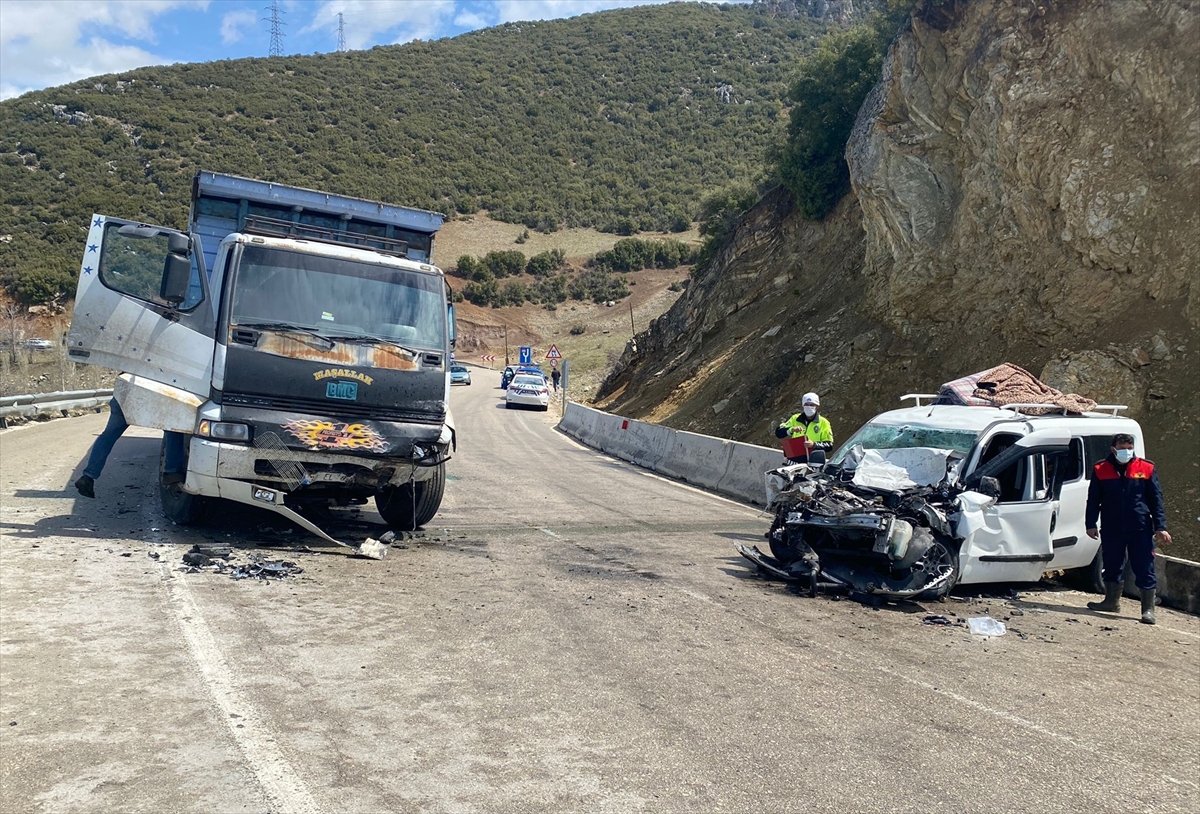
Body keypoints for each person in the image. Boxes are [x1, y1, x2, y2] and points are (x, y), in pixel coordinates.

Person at [1085, 433, 1171, 624]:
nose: (1126, 451)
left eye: (1129, 448)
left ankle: (1147, 610)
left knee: (1144, 566)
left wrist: (1160, 526)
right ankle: (1111, 602)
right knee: (1112, 563)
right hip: (1112, 525)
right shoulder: (1101, 469)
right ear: (1113, 449)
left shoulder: (1146, 468)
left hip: (1139, 526)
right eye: (1122, 448)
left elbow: (1156, 500)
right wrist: (1090, 524)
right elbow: (1093, 499)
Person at [74, 398, 187, 498]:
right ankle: (172, 473)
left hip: (126, 396)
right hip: (156, 398)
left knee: (108, 435)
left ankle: (88, 476)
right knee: (173, 429)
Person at [775, 392, 833, 464]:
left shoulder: (824, 423)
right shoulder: (795, 418)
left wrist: (814, 445)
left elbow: (829, 445)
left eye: (812, 405)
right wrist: (791, 430)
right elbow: (779, 432)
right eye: (806, 404)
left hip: (814, 462)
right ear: (803, 405)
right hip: (794, 461)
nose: (809, 407)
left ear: (817, 406)